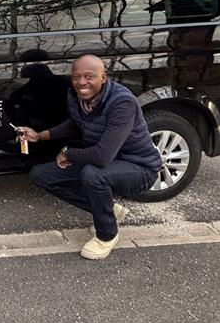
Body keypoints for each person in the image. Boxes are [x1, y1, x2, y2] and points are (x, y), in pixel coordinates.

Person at [16, 55, 162, 260]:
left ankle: (107, 235)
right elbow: (74, 124)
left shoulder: (122, 103)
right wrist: (39, 136)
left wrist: (69, 153)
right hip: (105, 162)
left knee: (92, 174)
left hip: (139, 167)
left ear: (103, 77)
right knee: (41, 174)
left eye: (89, 76)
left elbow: (102, 157)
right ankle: (108, 208)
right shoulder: (75, 96)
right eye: (76, 76)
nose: (81, 82)